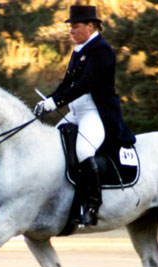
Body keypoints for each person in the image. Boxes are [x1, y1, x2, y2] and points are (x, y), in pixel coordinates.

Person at [34, 5, 136, 227]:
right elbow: (66, 83)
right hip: (75, 112)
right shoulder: (79, 50)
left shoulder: (102, 50)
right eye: (70, 27)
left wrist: (56, 102)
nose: (71, 31)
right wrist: (48, 101)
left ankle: (92, 205)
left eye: (75, 27)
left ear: (90, 26)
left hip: (95, 113)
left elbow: (86, 84)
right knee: (52, 144)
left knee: (84, 150)